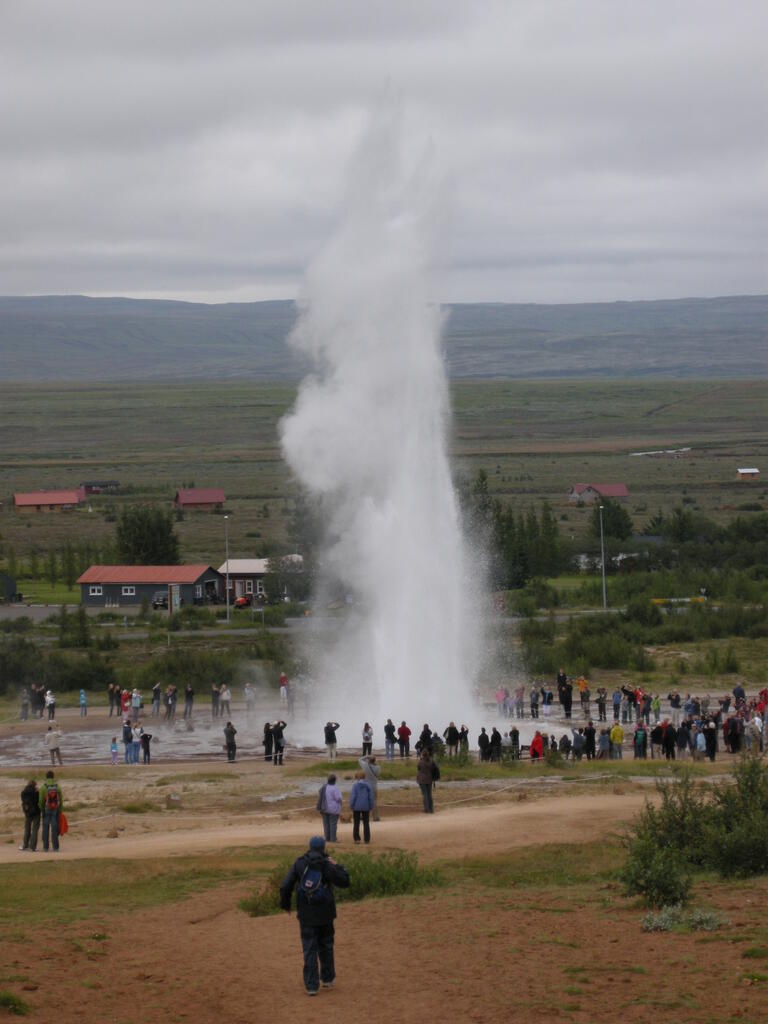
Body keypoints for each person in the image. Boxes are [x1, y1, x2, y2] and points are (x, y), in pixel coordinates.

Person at [279, 836, 350, 996]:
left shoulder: (299, 863)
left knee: (309, 949)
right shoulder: (327, 864)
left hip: (306, 915)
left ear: (309, 847)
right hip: (326, 914)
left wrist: (286, 905)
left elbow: (285, 886)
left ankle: (311, 986)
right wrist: (337, 865)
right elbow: (345, 881)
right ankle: (328, 979)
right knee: (326, 945)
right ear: (324, 848)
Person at [39, 770, 63, 853]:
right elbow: (61, 799)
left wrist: (42, 809)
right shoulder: (57, 786)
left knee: (45, 828)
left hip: (46, 809)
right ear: (53, 777)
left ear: (46, 777)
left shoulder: (43, 787)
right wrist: (60, 809)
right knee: (54, 828)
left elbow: (41, 800)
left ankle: (45, 847)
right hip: (55, 809)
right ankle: (55, 847)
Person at [349, 771, 374, 843]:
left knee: (356, 823)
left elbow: (353, 796)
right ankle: (367, 839)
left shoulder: (355, 785)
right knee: (366, 823)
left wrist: (351, 805)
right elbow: (371, 797)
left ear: (358, 777)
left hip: (356, 807)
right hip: (366, 806)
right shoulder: (368, 785)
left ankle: (356, 839)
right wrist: (371, 805)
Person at [317, 774, 342, 842]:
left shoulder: (324, 787)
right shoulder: (335, 788)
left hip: (324, 808)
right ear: (335, 781)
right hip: (333, 809)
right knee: (333, 824)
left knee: (326, 824)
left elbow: (319, 794)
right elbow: (338, 798)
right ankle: (333, 839)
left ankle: (327, 838)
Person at [20, 779, 40, 852]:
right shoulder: (36, 792)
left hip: (28, 812)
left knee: (27, 829)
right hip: (36, 812)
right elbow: (39, 801)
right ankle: (33, 847)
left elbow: (23, 801)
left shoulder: (23, 792)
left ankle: (25, 845)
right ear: (35, 785)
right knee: (35, 829)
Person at [359, 754, 381, 821]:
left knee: (365, 801)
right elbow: (377, 775)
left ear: (369, 760)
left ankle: (364, 816)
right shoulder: (378, 767)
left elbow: (359, 759)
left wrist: (366, 756)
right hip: (374, 786)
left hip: (366, 786)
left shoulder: (365, 765)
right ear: (375, 760)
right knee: (374, 801)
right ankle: (375, 817)